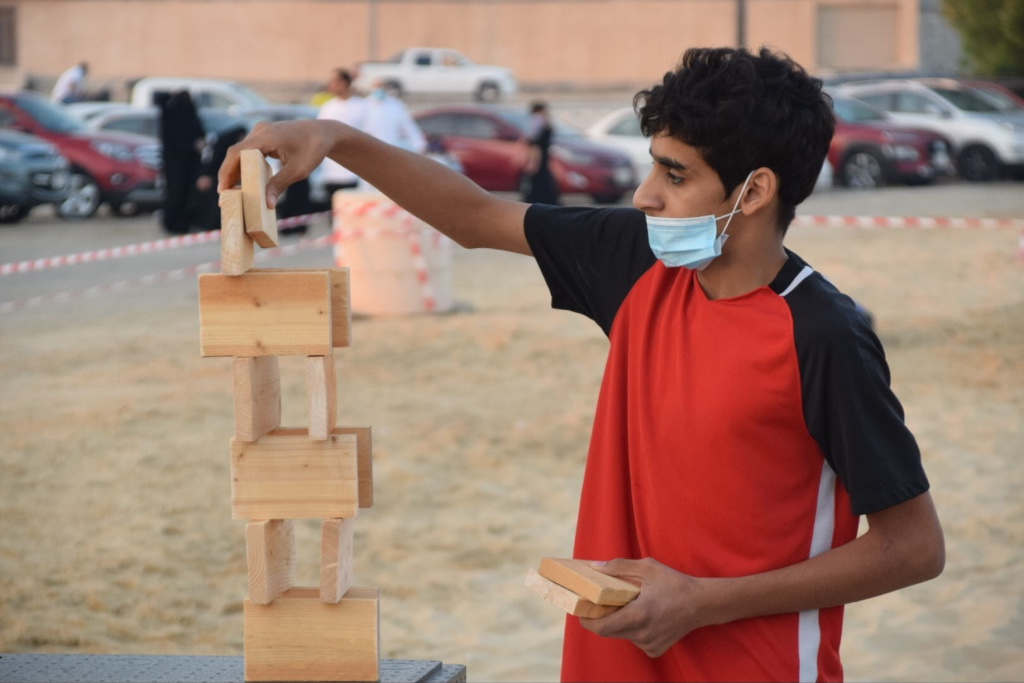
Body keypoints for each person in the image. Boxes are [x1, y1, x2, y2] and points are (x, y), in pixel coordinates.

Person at [219, 46, 945, 682]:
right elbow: (475, 217)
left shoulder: (823, 334)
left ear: (753, 192)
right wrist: (336, 137)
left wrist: (702, 602)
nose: (645, 194)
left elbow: (913, 547)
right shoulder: (637, 262)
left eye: (675, 175)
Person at [157, 90, 205, 234]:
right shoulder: (172, 115)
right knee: (176, 194)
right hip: (176, 165)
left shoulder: (184, 114)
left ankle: (183, 223)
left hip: (188, 166)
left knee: (187, 195)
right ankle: (174, 223)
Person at [316, 68, 370, 195]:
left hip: (355, 172)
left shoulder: (362, 106)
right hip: (331, 173)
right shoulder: (328, 107)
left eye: (334, 81)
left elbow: (369, 134)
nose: (331, 84)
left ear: (345, 82)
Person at [521, 100, 559, 205]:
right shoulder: (538, 119)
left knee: (541, 177)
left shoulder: (539, 120)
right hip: (539, 152)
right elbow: (533, 140)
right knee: (540, 176)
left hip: (542, 152)